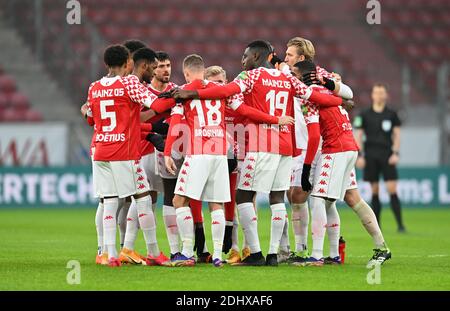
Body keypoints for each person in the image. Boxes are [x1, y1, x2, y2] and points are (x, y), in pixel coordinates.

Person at [169, 40, 344, 266]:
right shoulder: (288, 78)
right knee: (277, 198)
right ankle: (273, 255)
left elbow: (225, 90)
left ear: (255, 56)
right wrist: (341, 100)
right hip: (285, 147)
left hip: (262, 144)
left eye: (245, 56)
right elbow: (315, 96)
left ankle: (256, 254)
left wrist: (191, 94)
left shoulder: (250, 77)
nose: (242, 61)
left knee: (243, 196)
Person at [161, 54, 294, 267]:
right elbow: (244, 110)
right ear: (203, 70)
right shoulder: (221, 92)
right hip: (221, 153)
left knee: (179, 201)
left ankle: (186, 253)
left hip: (198, 151)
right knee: (216, 205)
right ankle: (217, 255)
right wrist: (275, 119)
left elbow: (176, 123)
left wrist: (168, 152)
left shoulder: (183, 93)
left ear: (186, 72)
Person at [296, 60, 392, 265]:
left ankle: (317, 255)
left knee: (318, 199)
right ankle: (370, 248)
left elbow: (314, 136)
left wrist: (306, 168)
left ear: (301, 75)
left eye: (293, 72)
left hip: (335, 149)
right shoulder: (332, 91)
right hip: (350, 147)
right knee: (346, 200)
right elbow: (347, 97)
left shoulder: (310, 97)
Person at [88, 45, 171, 267]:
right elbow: (157, 104)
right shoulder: (129, 83)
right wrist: (177, 97)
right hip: (123, 152)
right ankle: (153, 251)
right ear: (128, 63)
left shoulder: (94, 87)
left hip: (100, 150)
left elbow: (90, 119)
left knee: (109, 200)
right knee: (143, 197)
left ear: (106, 64)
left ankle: (109, 254)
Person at [354, 83, 405, 232]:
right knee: (374, 190)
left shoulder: (392, 114)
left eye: (382, 93)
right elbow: (359, 135)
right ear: (373, 95)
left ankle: (400, 225)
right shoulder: (364, 114)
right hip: (370, 155)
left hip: (387, 155)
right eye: (377, 93)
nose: (379, 95)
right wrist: (360, 155)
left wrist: (395, 153)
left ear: (385, 95)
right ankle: (378, 226)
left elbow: (397, 135)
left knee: (392, 188)